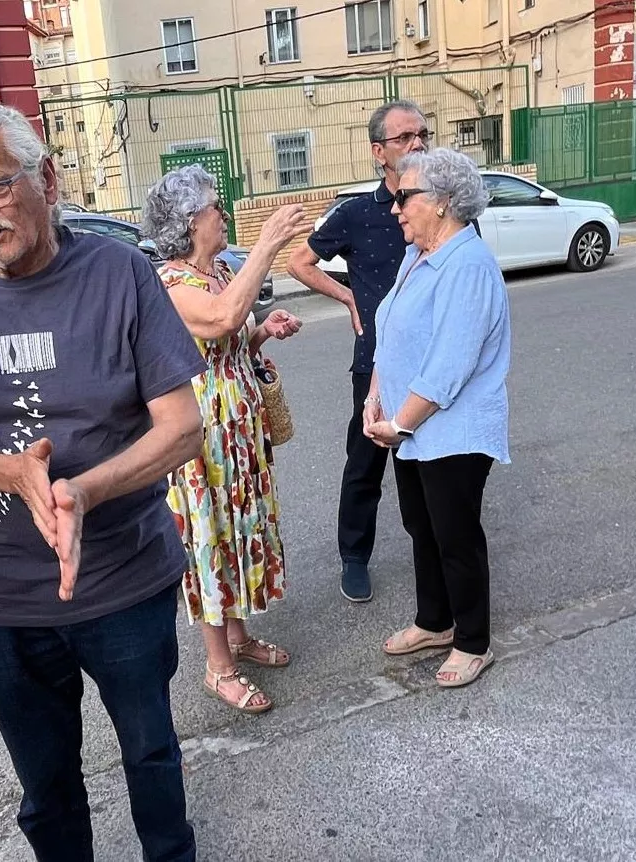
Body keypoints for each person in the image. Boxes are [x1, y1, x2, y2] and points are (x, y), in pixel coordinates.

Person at [0, 103, 204, 862]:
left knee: (152, 753)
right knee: (46, 786)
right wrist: (12, 475)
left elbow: (181, 428)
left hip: (124, 581)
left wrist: (82, 492)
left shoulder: (120, 273)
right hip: (1, 599)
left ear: (47, 179)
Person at [141, 165, 310, 714]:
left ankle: (238, 638)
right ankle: (218, 667)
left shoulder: (218, 271)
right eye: (215, 206)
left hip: (238, 431)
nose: (224, 213)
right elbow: (218, 320)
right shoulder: (172, 285)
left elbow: (230, 342)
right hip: (202, 440)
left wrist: (262, 332)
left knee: (238, 531)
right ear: (190, 221)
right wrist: (268, 242)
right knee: (211, 540)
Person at [366, 149, 510, 689]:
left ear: (444, 202)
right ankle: (434, 621)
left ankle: (473, 641)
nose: (395, 207)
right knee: (421, 526)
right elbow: (390, 329)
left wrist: (400, 422)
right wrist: (376, 397)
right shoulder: (419, 255)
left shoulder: (467, 265)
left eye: (405, 197)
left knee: (455, 536)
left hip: (451, 430)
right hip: (412, 428)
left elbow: (451, 363)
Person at [286, 99, 430, 603]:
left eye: (423, 134)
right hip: (375, 365)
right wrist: (348, 297)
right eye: (404, 137)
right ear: (378, 152)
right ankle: (354, 557)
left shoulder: (442, 207)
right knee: (365, 464)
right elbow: (299, 263)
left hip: (431, 363)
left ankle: (431, 554)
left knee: (426, 465)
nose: (417, 143)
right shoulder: (356, 214)